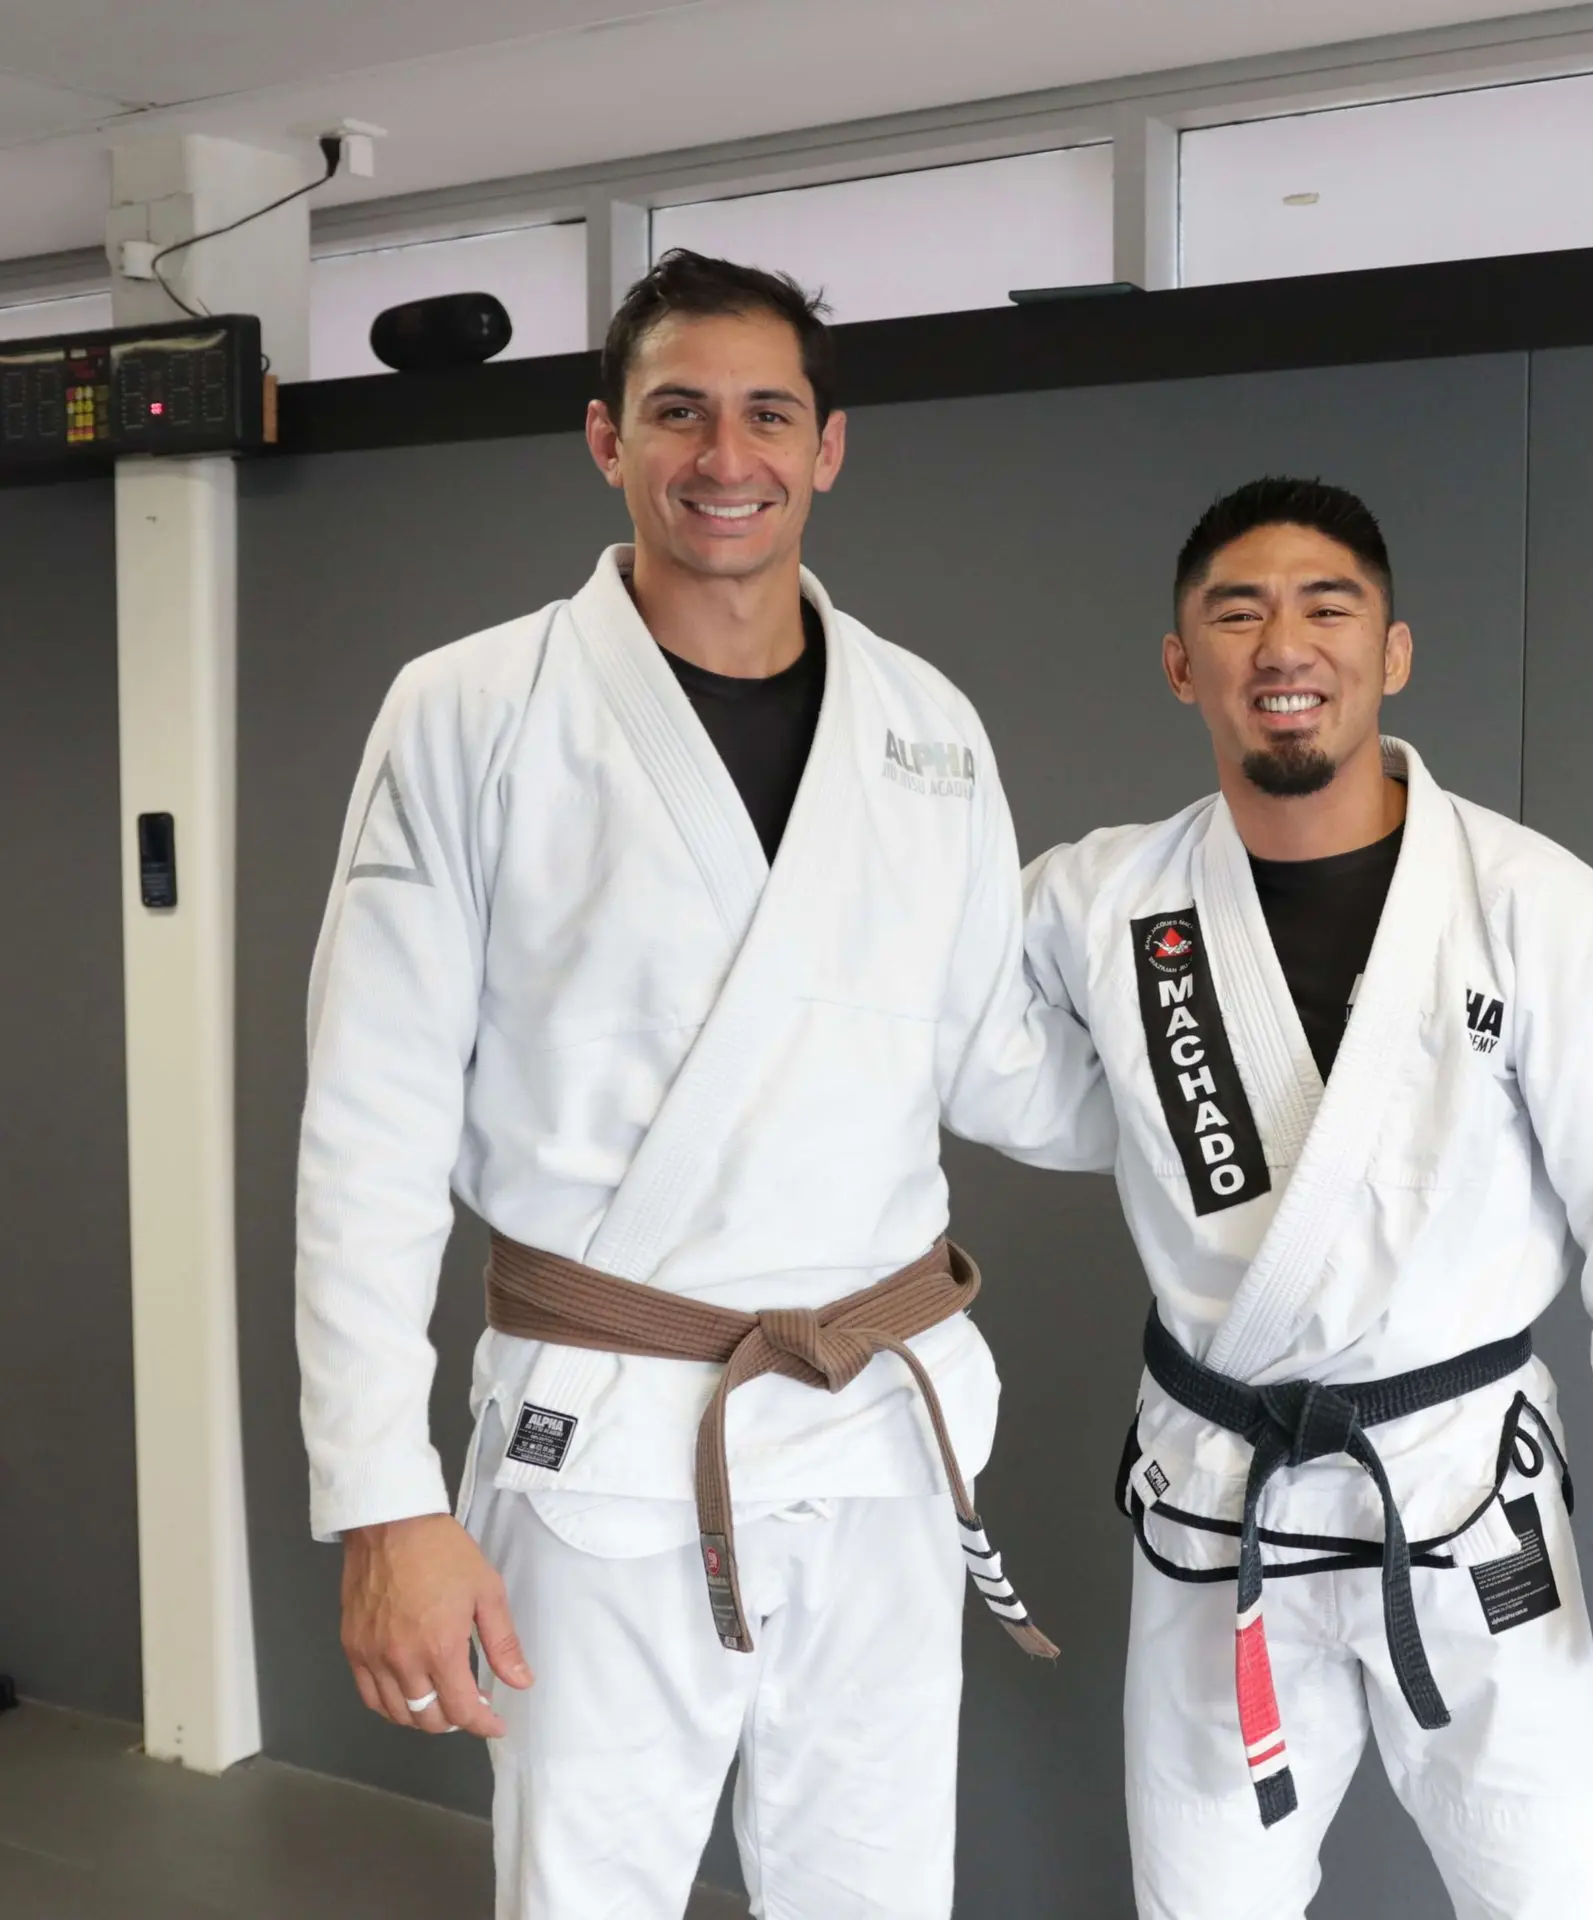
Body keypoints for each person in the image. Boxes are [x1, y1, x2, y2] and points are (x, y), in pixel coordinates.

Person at [294, 249, 1113, 1920]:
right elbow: (367, 1126)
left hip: (878, 1430)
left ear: (829, 448)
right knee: (587, 1893)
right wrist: (382, 1498)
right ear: (608, 440)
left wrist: (1233, 1050)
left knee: (878, 1893)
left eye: (765, 413)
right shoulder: (469, 711)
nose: (721, 455)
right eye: (678, 412)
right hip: (604, 1435)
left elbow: (994, 1064)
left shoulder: (927, 724)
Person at [1022, 477, 1593, 1917]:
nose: (1286, 644)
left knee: (1559, 1903)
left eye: (1327, 606)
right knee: (1203, 1905)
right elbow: (929, 1031)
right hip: (1227, 1510)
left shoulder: (1527, 898)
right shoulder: (1102, 904)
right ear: (1183, 664)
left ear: (1392, 651)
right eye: (1239, 612)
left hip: (1463, 1497)